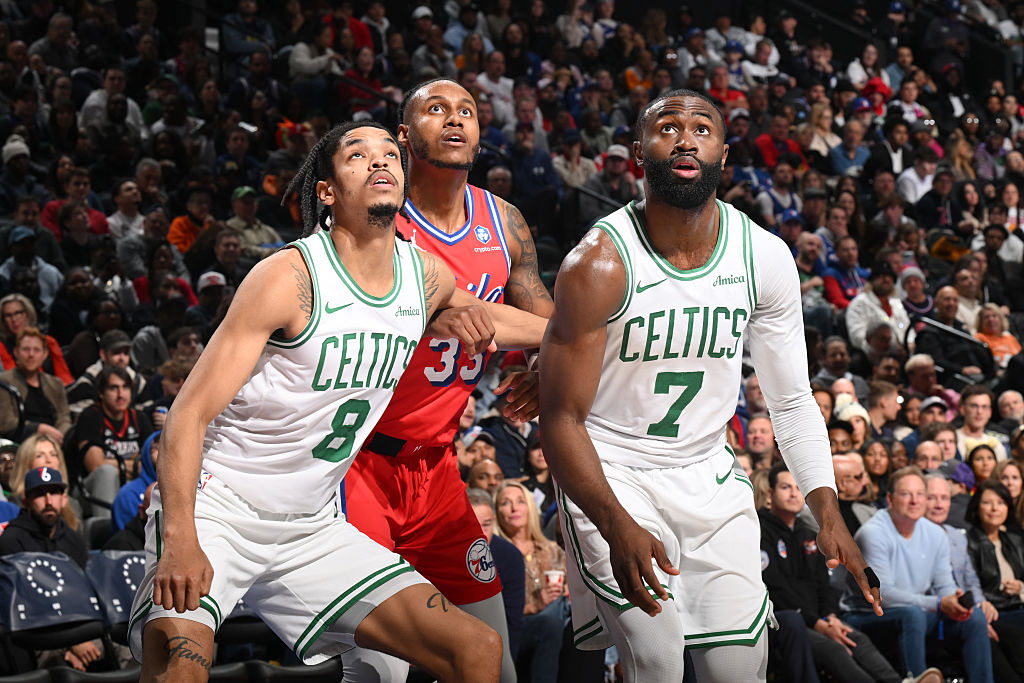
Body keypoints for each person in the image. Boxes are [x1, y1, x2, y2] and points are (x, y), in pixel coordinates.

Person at [127, 122, 542, 682]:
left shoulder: (423, 275)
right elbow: (187, 414)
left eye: (390, 155)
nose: (380, 163)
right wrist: (179, 535)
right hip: (218, 507)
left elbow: (506, 321)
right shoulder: (287, 277)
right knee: (180, 668)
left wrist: (600, 328)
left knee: (477, 650)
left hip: (311, 525)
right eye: (357, 155)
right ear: (326, 191)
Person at [538, 89, 879, 683]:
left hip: (708, 472)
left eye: (703, 128)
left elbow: (793, 398)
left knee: (738, 670)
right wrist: (615, 522)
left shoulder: (763, 256)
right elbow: (561, 419)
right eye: (668, 128)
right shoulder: (598, 263)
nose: (687, 138)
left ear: (724, 152)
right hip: (613, 468)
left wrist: (827, 509)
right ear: (639, 155)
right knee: (659, 660)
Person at [342, 79, 553, 683]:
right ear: (405, 137)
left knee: (495, 661)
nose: (455, 120)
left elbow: (544, 319)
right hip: (359, 463)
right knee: (379, 671)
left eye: (467, 110)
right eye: (437, 110)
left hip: (436, 471)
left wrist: (544, 367)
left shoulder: (503, 221)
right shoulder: (379, 213)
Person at [841, 466, 992, 682]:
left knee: (974, 616)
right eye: (906, 494)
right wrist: (940, 604)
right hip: (866, 616)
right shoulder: (872, 533)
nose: (914, 501)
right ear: (890, 499)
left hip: (917, 615)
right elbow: (882, 595)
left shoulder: (935, 534)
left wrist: (954, 600)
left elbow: (944, 585)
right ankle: (916, 678)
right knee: (912, 614)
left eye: (920, 494)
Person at [760, 463, 904, 683]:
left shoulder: (810, 534)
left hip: (820, 620)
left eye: (798, 488)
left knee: (857, 640)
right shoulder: (760, 531)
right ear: (770, 494)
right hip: (785, 624)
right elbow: (776, 590)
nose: (793, 493)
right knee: (835, 649)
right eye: (785, 487)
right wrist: (818, 623)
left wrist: (830, 617)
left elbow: (823, 586)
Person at [494, 481, 567, 683]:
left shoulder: (552, 549)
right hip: (517, 629)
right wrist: (535, 606)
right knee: (549, 624)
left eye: (520, 501)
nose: (514, 508)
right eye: (505, 503)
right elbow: (497, 610)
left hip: (557, 624)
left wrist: (570, 590)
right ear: (497, 513)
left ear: (530, 507)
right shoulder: (497, 554)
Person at [0, 328, 70, 442]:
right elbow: (6, 422)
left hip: (55, 441)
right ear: (16, 352)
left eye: (36, 350)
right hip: (20, 442)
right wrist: (39, 429)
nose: (31, 355)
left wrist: (60, 436)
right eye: (26, 349)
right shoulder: (4, 381)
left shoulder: (56, 383)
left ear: (45, 354)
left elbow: (64, 417)